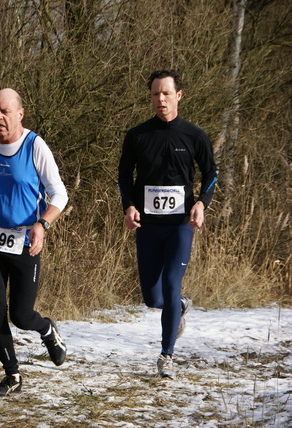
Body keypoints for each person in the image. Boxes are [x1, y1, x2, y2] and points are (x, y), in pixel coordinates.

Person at [0, 88, 69, 396]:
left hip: (24, 242)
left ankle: (47, 330)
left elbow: (59, 194)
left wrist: (42, 224)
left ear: (19, 114)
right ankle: (12, 376)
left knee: (21, 315)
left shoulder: (35, 146)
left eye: (4, 111)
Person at [117, 70, 217, 379]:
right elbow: (123, 176)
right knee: (152, 297)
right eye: (155, 94)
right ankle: (181, 307)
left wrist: (201, 203)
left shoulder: (194, 135)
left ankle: (166, 356)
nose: (160, 99)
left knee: (172, 285)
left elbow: (211, 174)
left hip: (179, 225)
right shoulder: (137, 135)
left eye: (165, 93)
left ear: (179, 95)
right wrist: (129, 205)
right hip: (148, 226)